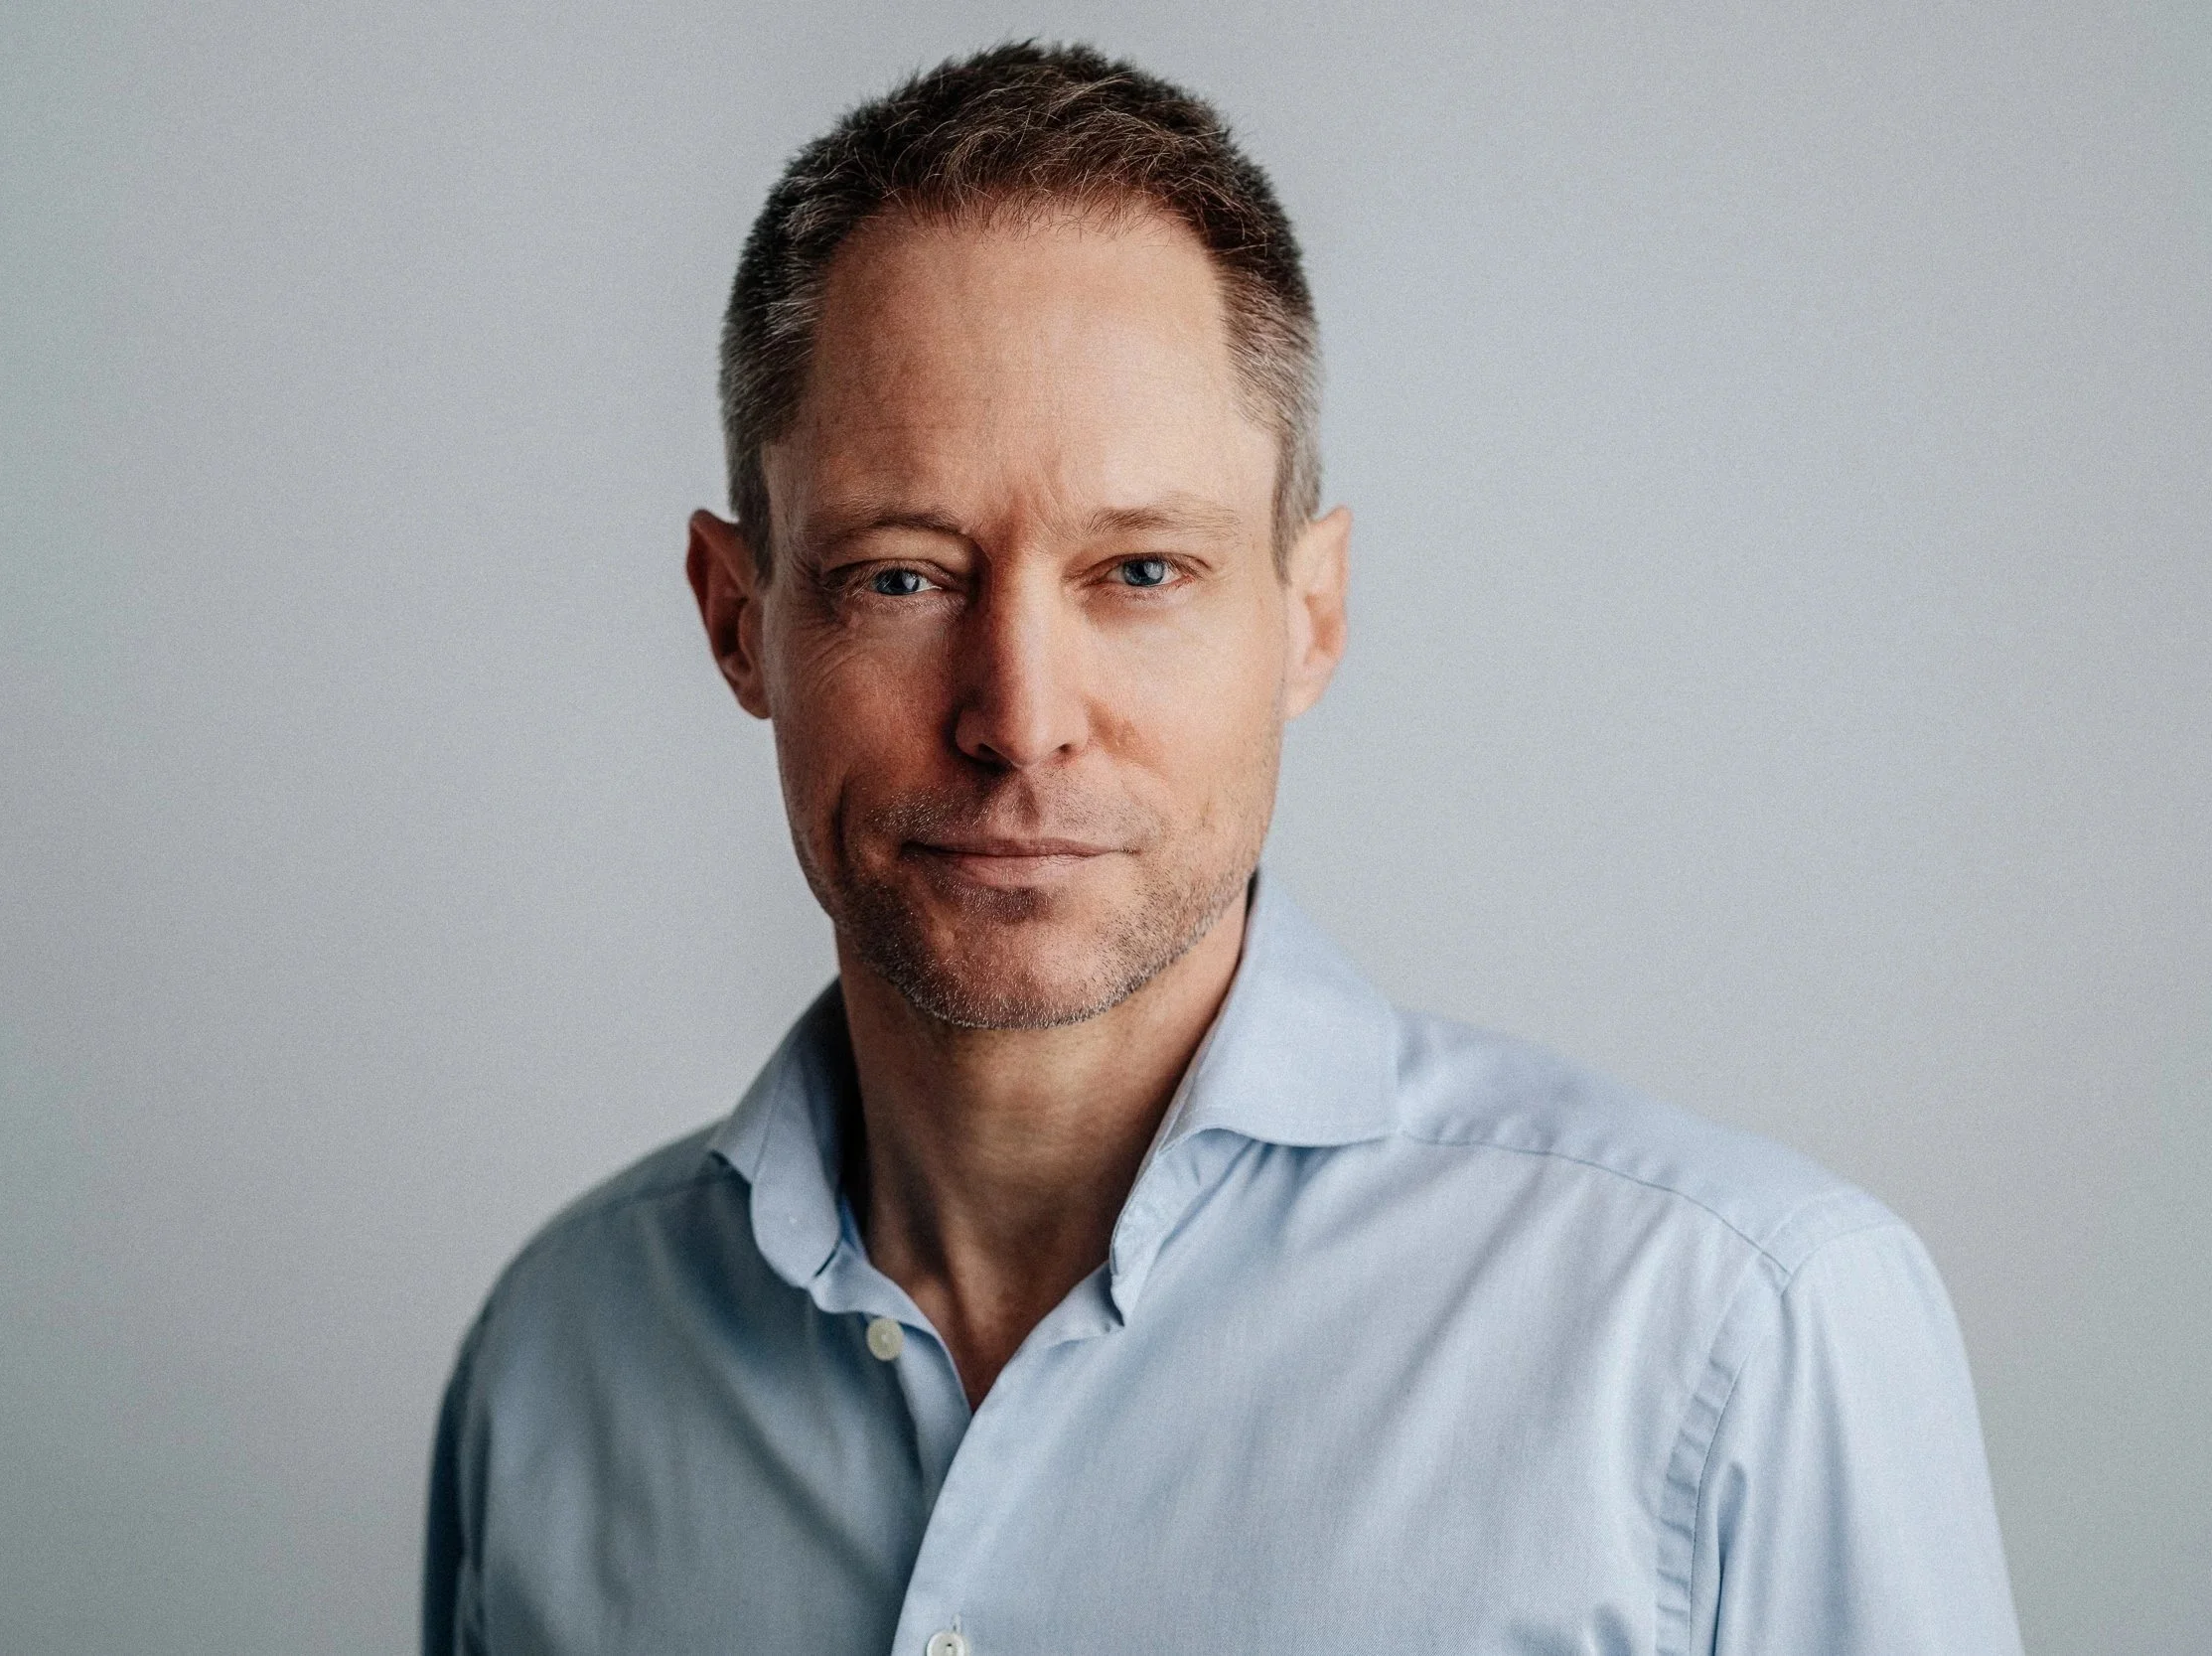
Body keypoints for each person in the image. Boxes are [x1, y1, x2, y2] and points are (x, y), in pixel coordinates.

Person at [423, 42, 2022, 1656]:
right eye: (902, 577)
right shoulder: (557, 1362)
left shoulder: (1732, 1340)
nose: (1019, 718)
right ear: (734, 618)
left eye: (1139, 571)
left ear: (1306, 616)